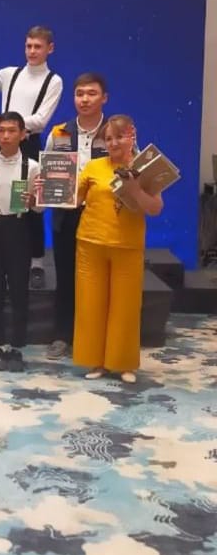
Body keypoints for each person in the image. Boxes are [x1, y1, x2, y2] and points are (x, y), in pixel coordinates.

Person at [71, 114, 163, 384]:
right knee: (90, 306)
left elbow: (155, 209)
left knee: (125, 308)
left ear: (131, 136)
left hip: (127, 246)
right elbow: (74, 200)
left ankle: (123, 363)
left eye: (119, 137)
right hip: (90, 244)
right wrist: (49, 188)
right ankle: (96, 361)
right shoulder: (93, 167)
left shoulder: (145, 168)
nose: (113, 143)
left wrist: (135, 190)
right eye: (108, 138)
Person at [0, 25, 63, 289]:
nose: (32, 51)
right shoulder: (10, 74)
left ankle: (36, 263)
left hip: (29, 145)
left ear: (50, 49)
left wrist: (6, 122)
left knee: (32, 205)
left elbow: (41, 119)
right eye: (28, 46)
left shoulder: (53, 81)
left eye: (38, 46)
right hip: (2, 144)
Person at [44, 73, 109, 360]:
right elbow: (49, 171)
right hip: (66, 217)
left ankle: (97, 336)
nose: (84, 99)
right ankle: (62, 335)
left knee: (99, 279)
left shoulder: (115, 132)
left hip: (103, 217)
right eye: (80, 93)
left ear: (104, 98)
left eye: (91, 93)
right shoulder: (60, 133)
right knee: (66, 276)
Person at [0, 112, 40, 372]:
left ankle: (17, 346)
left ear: (23, 134)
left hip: (18, 228)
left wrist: (33, 201)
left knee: (18, 289)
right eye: (1, 130)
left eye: (12, 130)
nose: (6, 136)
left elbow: (39, 208)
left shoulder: (33, 167)